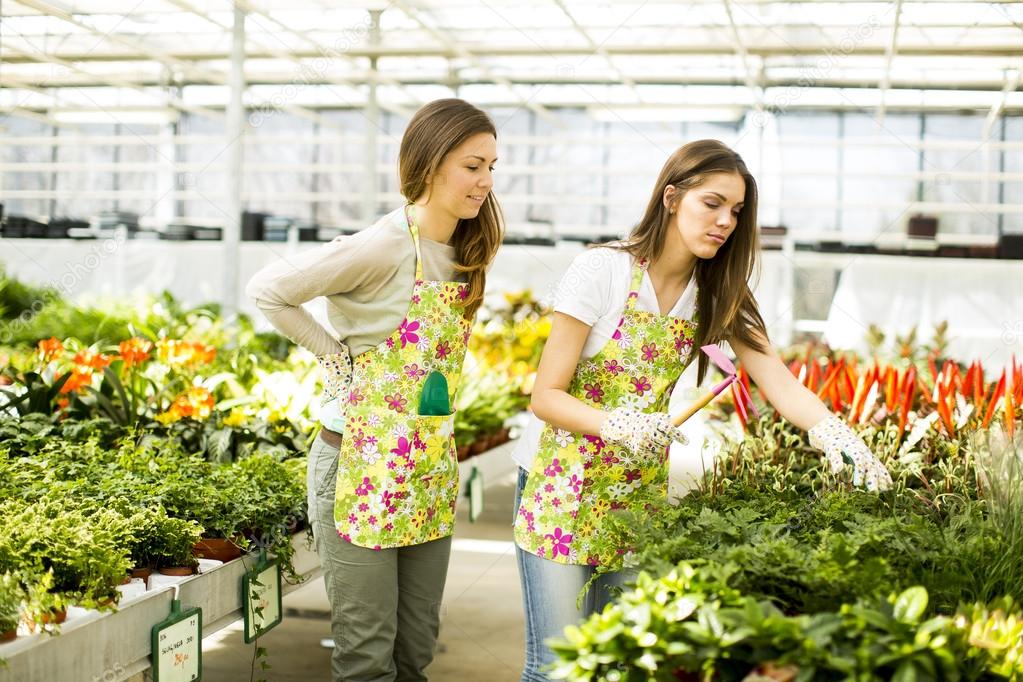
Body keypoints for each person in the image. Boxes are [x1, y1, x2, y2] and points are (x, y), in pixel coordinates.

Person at [509, 139, 892, 681]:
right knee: (556, 666)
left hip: (632, 491)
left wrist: (837, 435)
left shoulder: (716, 290)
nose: (724, 222)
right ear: (671, 198)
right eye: (711, 204)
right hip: (558, 482)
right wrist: (617, 423)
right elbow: (545, 396)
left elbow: (779, 383)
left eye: (735, 212)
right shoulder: (603, 271)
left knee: (619, 661)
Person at [246, 98, 503, 682]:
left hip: (427, 467)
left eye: (492, 165)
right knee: (365, 661)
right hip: (358, 467)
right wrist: (335, 358)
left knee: (415, 654)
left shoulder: (464, 252)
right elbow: (269, 290)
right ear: (432, 164)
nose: (486, 181)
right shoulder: (383, 244)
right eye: (473, 166)